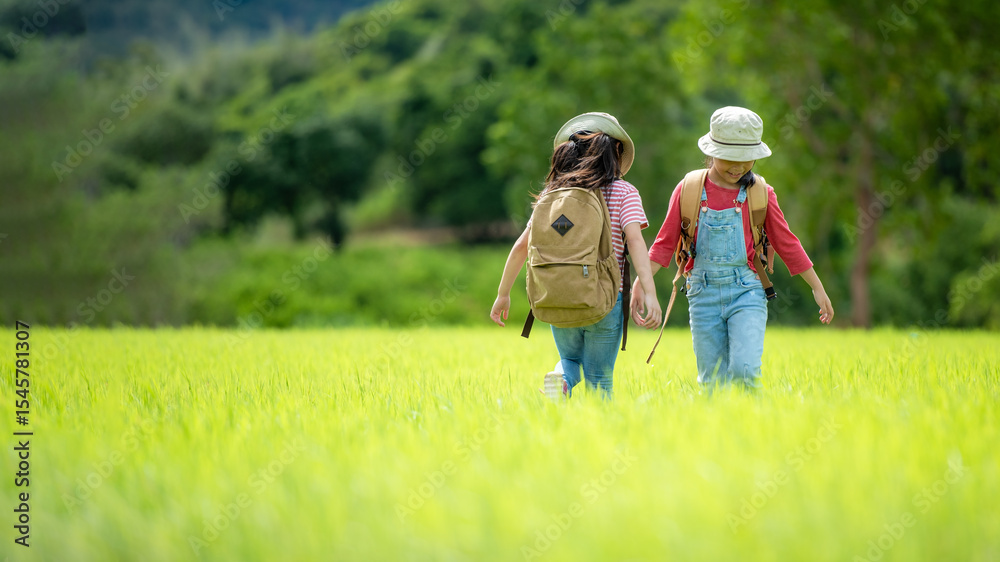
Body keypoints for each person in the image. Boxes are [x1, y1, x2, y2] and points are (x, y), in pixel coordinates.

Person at [632, 106, 834, 390]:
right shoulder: (689, 190)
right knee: (711, 381)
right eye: (730, 158)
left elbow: (786, 242)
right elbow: (663, 245)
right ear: (712, 151)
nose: (738, 167)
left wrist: (816, 286)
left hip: (747, 290)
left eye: (746, 159)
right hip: (702, 294)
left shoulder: (761, 193)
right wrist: (641, 282)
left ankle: (754, 429)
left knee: (744, 371)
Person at [490, 112, 662, 398]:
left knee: (570, 362)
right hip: (606, 298)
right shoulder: (624, 192)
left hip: (559, 295)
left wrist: (503, 294)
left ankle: (561, 378)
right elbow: (635, 242)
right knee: (599, 379)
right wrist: (649, 290)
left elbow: (522, 245)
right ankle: (596, 439)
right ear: (616, 151)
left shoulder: (554, 193)